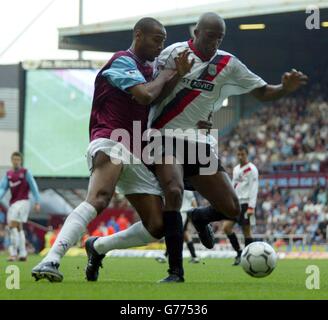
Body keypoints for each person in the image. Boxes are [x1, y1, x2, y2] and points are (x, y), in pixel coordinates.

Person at [148, 12, 308, 282]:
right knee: (173, 191)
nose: (214, 43)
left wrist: (284, 88)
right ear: (196, 32)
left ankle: (200, 217)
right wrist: (177, 75)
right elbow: (153, 96)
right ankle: (175, 271)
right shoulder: (173, 54)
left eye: (219, 38)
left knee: (232, 208)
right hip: (165, 136)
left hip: (198, 143)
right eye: (210, 36)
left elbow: (263, 92)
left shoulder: (228, 64)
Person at [31, 17, 193, 282]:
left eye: (163, 41)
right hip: (110, 139)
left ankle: (97, 247)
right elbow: (144, 95)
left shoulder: (149, 69)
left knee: (157, 226)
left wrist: (177, 77)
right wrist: (166, 74)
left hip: (137, 150)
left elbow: (156, 98)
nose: (160, 46)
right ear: (138, 35)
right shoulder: (122, 61)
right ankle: (51, 259)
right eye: (157, 39)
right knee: (100, 198)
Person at [0, 151, 41, 261]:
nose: (16, 161)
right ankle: (23, 253)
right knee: (18, 228)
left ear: (21, 161)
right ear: (11, 160)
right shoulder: (8, 174)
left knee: (12, 225)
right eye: (14, 159)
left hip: (23, 202)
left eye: (18, 160)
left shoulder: (25, 172)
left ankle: (13, 253)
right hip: (13, 203)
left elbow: (33, 186)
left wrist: (37, 202)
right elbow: (2, 188)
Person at [223, 145, 259, 265]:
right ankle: (239, 252)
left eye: (242, 154)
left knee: (246, 232)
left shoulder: (252, 169)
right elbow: (233, 185)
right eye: (238, 154)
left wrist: (251, 207)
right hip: (235, 203)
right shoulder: (236, 169)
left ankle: (249, 258)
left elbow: (254, 188)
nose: (240, 156)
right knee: (226, 228)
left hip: (246, 203)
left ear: (247, 154)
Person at [156, 190, 200, 264]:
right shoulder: (189, 190)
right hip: (185, 213)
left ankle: (165, 255)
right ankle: (194, 256)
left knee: (175, 233)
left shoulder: (178, 187)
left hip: (181, 213)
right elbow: (194, 204)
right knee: (185, 234)